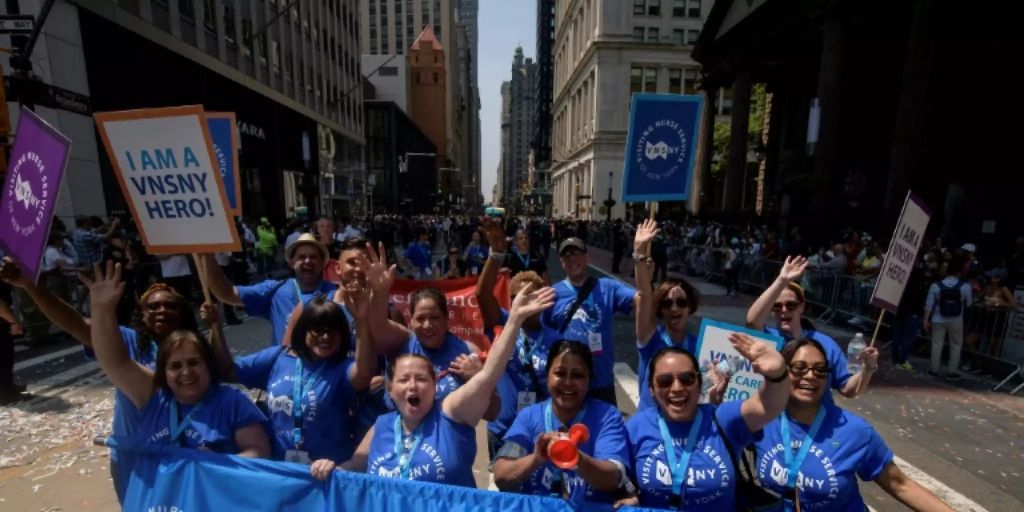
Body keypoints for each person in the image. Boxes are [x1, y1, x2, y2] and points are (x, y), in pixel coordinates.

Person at [0, 257, 217, 499]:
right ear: (142, 315)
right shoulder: (127, 342)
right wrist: (32, 286)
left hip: (187, 454)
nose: (161, 310)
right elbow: (75, 324)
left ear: (183, 312)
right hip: (134, 455)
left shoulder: (197, 348)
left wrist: (217, 329)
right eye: (153, 307)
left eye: (170, 306)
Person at [310, 284, 556, 485]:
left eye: (422, 379)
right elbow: (355, 465)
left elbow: (489, 375)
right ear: (389, 389)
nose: (413, 386)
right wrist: (330, 468)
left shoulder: (450, 414)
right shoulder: (382, 425)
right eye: (404, 380)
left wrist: (514, 320)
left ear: (435, 386)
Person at [85, 261, 271, 458]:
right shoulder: (153, 396)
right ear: (162, 372)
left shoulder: (233, 402)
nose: (186, 372)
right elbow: (116, 362)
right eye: (175, 366)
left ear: (208, 364)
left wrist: (215, 465)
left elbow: (258, 450)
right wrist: (102, 310)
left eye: (193, 362)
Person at [748, 338, 954, 511]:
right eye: (800, 368)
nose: (810, 375)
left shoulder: (853, 431)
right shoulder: (761, 418)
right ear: (782, 371)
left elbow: (901, 485)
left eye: (820, 370)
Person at [618, 334, 790, 510]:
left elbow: (768, 405)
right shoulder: (636, 427)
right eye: (665, 381)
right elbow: (620, 475)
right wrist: (630, 494)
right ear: (652, 390)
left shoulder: (723, 419)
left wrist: (777, 375)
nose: (677, 388)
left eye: (687, 379)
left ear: (700, 384)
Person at [229, 290, 376, 464]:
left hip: (327, 472)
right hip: (283, 469)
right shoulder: (277, 358)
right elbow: (226, 370)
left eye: (333, 332)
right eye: (318, 330)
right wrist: (215, 326)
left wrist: (361, 322)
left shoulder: (341, 369)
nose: (326, 337)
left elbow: (364, 374)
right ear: (303, 331)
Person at [491, 341, 630, 504]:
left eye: (577, 375)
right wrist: (535, 459)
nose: (568, 382)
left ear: (589, 380)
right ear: (547, 376)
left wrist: (576, 457)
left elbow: (613, 479)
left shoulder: (607, 416)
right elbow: (501, 475)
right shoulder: (529, 416)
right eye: (560, 373)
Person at [477, 217, 563, 455]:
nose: (525, 303)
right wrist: (495, 255)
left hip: (542, 432)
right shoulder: (503, 324)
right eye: (518, 298)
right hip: (503, 428)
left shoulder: (556, 340)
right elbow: (483, 296)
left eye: (532, 297)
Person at [747, 256, 878, 399]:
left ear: (801, 307)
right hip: (778, 417)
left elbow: (848, 389)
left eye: (791, 305)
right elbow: (752, 321)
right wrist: (781, 280)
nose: (784, 310)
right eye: (777, 306)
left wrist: (868, 368)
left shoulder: (826, 344)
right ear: (771, 311)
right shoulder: (767, 340)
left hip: (817, 417)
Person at [632, 219, 723, 411]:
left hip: (687, 424)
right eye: (667, 303)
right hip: (653, 425)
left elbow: (706, 392)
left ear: (690, 307)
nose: (674, 308)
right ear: (660, 310)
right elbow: (644, 296)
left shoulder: (701, 344)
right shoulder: (650, 338)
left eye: (681, 303)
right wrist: (639, 254)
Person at [542, 237, 637, 406]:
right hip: (567, 383)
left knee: (607, 430)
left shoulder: (608, 287)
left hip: (601, 380)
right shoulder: (553, 294)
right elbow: (543, 336)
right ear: (562, 262)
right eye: (567, 255)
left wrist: (641, 260)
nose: (573, 259)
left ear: (587, 257)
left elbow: (640, 300)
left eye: (577, 253)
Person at [201, 233, 337, 345]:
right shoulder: (275, 290)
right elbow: (227, 293)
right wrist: (208, 257)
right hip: (285, 374)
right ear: (291, 262)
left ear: (322, 263)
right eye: (301, 257)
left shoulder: (337, 295)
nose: (308, 261)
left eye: (313, 257)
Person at [923, 253, 971, 381]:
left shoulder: (936, 285)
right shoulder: (965, 287)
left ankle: (933, 370)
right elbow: (969, 303)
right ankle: (952, 372)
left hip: (938, 318)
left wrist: (925, 319)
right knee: (955, 345)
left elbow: (929, 304)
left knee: (936, 344)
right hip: (956, 319)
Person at [892, 251, 939, 371]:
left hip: (903, 309)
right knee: (908, 336)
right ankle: (902, 360)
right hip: (912, 311)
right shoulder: (920, 278)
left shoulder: (908, 276)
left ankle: (895, 358)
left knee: (899, 333)